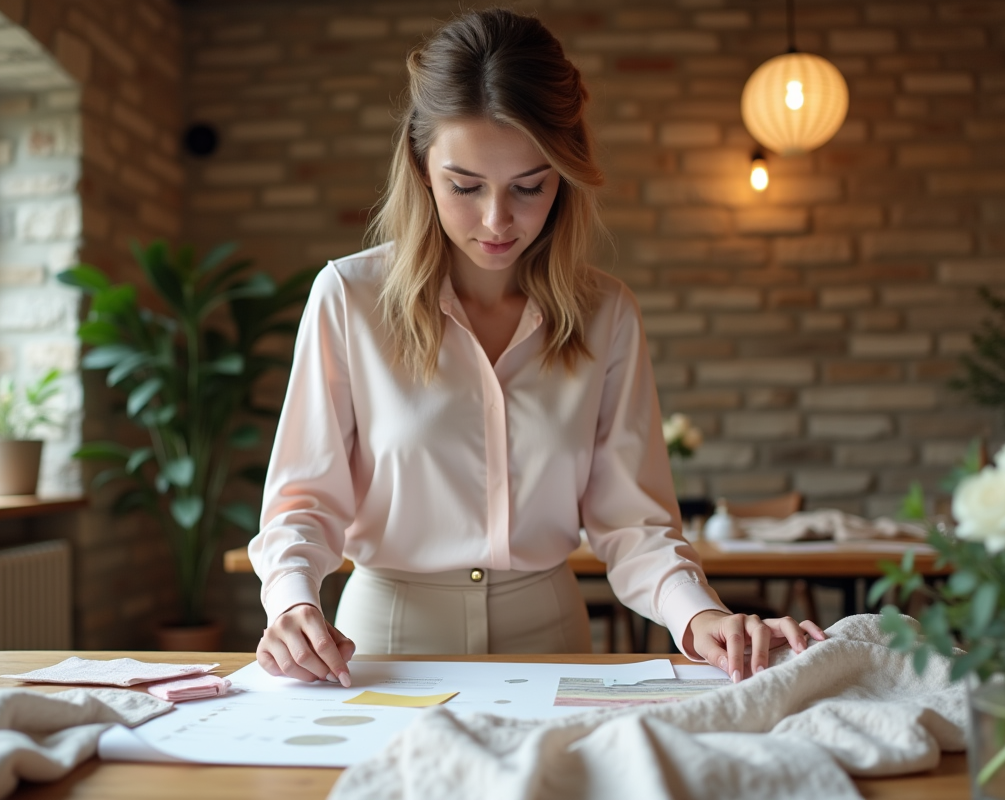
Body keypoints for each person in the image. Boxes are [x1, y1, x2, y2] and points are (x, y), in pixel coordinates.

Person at [250, 8, 825, 690]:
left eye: (530, 186)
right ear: (420, 167)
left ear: (565, 175)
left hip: (553, 641)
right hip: (385, 646)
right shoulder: (349, 296)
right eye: (465, 186)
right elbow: (303, 503)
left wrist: (700, 618)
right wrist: (291, 603)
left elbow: (634, 521)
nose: (497, 221)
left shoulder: (606, 314)